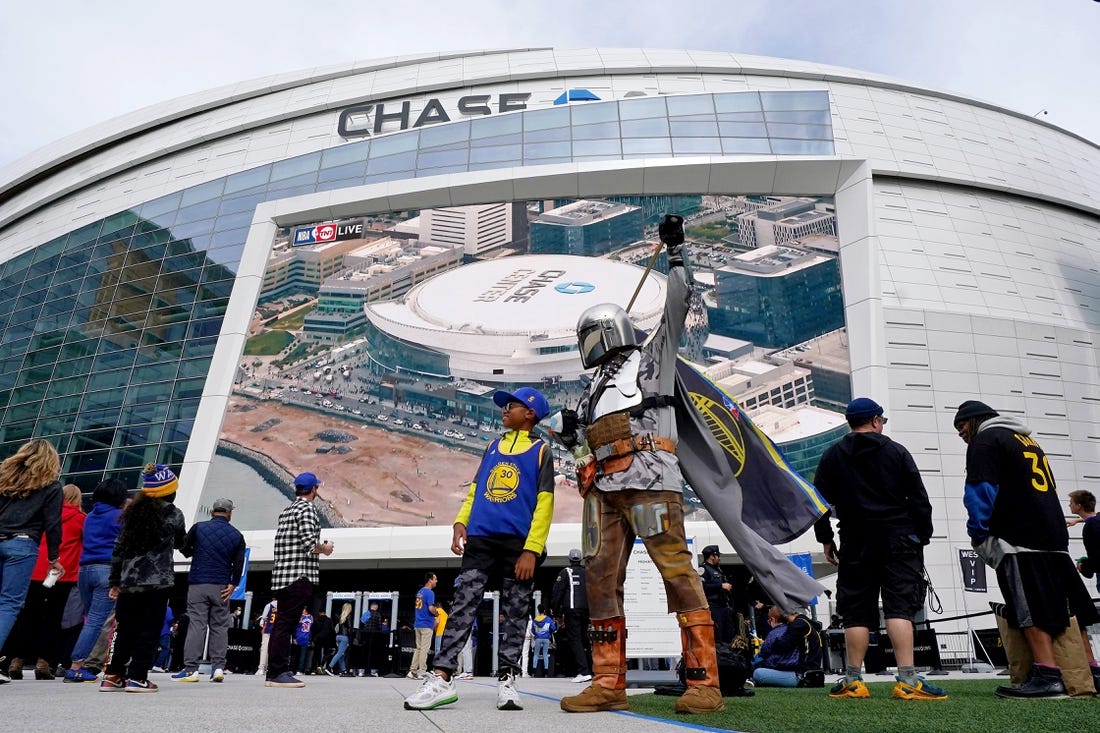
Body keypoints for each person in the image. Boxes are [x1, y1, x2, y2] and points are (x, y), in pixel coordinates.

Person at [556, 216, 723, 715]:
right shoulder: (592, 392)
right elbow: (584, 454)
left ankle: (704, 682)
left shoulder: (653, 361)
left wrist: (676, 253)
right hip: (602, 491)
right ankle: (608, 680)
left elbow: (677, 306)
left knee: (676, 570)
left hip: (649, 483)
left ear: (604, 335)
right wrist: (572, 437)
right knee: (599, 579)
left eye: (588, 337)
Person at [403, 385, 554, 712]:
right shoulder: (492, 446)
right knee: (462, 605)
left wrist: (532, 548)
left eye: (511, 406)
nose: (504, 410)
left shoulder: (542, 451)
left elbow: (545, 502)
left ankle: (508, 682)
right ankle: (442, 677)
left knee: (516, 611)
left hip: (518, 543)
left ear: (530, 414)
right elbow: (475, 490)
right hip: (481, 539)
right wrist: (461, 522)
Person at [954, 400, 1100, 697]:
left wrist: (978, 532)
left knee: (1029, 605)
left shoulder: (985, 440)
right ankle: (1091, 672)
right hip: (1054, 535)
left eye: (962, 426)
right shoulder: (1026, 440)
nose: (961, 434)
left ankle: (1048, 675)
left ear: (975, 421)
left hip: (1019, 536)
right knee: (1068, 609)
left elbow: (980, 489)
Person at [813, 397, 946, 701]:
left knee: (856, 610)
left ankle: (853, 680)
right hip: (898, 538)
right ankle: (908, 679)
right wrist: (921, 536)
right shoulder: (896, 452)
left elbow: (818, 503)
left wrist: (826, 539)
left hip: (855, 540)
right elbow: (920, 500)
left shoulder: (832, 455)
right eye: (882, 421)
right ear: (875, 421)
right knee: (899, 606)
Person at [101, 463, 188, 693]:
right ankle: (138, 677)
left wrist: (114, 582)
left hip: (128, 582)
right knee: (149, 630)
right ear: (169, 491)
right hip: (157, 582)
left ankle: (113, 675)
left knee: (125, 629)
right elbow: (182, 543)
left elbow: (118, 550)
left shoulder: (131, 514)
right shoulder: (173, 514)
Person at [0, 439, 64, 685]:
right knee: (8, 604)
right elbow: (53, 524)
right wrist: (54, 557)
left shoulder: (4, 479)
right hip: (22, 544)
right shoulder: (51, 486)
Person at [6, 483, 84, 681]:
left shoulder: (44, 515)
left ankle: (16, 659)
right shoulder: (81, 519)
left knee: (26, 616)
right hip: (62, 574)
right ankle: (44, 662)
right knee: (53, 619)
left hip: (35, 570)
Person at [264, 471, 333, 688]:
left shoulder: (287, 510)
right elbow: (310, 544)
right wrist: (326, 548)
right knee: (285, 625)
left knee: (281, 624)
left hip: (283, 576)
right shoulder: (307, 509)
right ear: (314, 489)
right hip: (298, 576)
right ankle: (278, 673)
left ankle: (275, 671)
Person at [172, 497, 246, 683]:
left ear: (212, 512)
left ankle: (191, 670)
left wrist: (194, 551)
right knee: (220, 627)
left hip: (198, 582)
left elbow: (185, 548)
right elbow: (239, 563)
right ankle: (218, 668)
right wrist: (233, 584)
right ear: (230, 514)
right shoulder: (236, 535)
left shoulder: (199, 528)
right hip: (221, 585)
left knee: (197, 624)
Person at [64, 478, 129, 682]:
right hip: (107, 570)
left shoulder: (89, 516)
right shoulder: (120, 516)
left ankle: (80, 662)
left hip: (85, 570)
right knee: (97, 621)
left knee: (89, 619)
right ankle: (77, 665)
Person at [751, 606, 823, 688]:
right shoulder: (805, 623)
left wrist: (769, 643)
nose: (787, 622)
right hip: (811, 672)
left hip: (803, 675)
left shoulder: (798, 625)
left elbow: (782, 645)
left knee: (758, 672)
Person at [551, 548, 591, 683]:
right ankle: (591, 669)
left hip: (572, 610)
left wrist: (556, 612)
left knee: (575, 639)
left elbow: (557, 593)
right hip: (586, 610)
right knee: (585, 639)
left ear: (569, 559)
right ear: (580, 559)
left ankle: (583, 671)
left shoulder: (565, 572)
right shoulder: (587, 572)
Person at [699, 545, 735, 644]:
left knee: (729, 634)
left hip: (723, 606)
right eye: (718, 556)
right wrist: (720, 585)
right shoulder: (703, 569)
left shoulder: (717, 569)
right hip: (713, 607)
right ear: (712, 556)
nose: (719, 558)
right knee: (718, 635)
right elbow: (702, 587)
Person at [1067, 490, 1100, 593]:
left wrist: (1082, 566)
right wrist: (1077, 520)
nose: (1069, 505)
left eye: (1071, 503)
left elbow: (1097, 560)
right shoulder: (1097, 519)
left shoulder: (1090, 527)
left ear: (1079, 506)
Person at [407, 572, 438, 679]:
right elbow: (431, 608)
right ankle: (422, 671)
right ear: (430, 580)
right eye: (435, 579)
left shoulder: (419, 592)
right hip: (426, 624)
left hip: (418, 623)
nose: (436, 581)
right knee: (424, 648)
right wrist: (436, 613)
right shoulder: (430, 592)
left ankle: (413, 671)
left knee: (418, 648)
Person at [327, 602, 353, 676]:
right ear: (349, 608)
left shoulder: (340, 616)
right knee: (339, 654)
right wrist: (350, 639)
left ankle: (343, 670)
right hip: (345, 637)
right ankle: (329, 667)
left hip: (338, 636)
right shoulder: (348, 616)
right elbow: (349, 629)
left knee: (341, 654)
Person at [530, 605, 557, 677]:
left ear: (538, 611)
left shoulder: (535, 620)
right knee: (545, 654)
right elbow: (553, 628)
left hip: (538, 639)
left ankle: (534, 671)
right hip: (546, 639)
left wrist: (537, 635)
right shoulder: (548, 619)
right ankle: (546, 672)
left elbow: (532, 630)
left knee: (536, 655)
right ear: (544, 611)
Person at [253, 598, 276, 677]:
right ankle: (272, 668)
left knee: (265, 649)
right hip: (278, 631)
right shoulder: (284, 605)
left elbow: (263, 620)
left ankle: (262, 668)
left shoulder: (269, 605)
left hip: (269, 630)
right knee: (275, 650)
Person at [152, 601, 174, 672]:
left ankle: (150, 666)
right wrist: (173, 624)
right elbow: (170, 619)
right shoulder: (167, 608)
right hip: (164, 631)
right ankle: (157, 665)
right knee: (165, 649)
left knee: (153, 649)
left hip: (154, 631)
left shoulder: (154, 608)